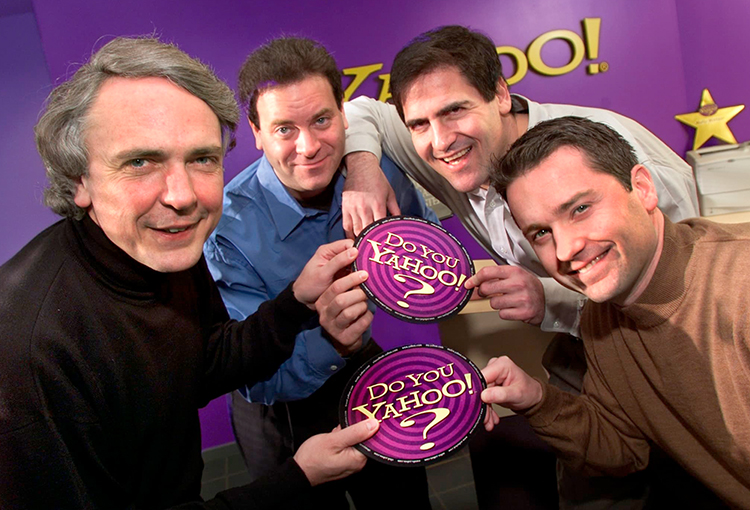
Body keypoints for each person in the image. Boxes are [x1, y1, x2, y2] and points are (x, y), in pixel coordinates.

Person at [0, 36, 381, 510]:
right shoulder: (28, 353)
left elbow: (208, 361)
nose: (182, 196)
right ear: (79, 179)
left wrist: (296, 301)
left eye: (202, 159)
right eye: (140, 162)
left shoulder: (164, 246)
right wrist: (298, 477)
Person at [341, 25, 700, 507]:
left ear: (500, 95)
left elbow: (677, 295)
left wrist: (549, 298)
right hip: (583, 358)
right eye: (419, 123)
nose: (441, 140)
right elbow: (361, 111)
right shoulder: (451, 152)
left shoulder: (607, 153)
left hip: (672, 364)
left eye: (455, 110)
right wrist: (364, 171)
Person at [204, 37, 435, 509]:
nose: (308, 147)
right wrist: (331, 341)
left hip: (364, 370)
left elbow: (424, 244)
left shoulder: (377, 173)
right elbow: (253, 375)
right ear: (256, 132)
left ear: (343, 115)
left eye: (322, 120)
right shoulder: (227, 230)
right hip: (277, 411)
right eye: (284, 129)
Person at [480, 115, 750, 509]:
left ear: (642, 188)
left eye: (580, 208)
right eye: (541, 233)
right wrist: (537, 400)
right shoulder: (600, 316)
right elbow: (622, 448)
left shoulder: (740, 284)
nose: (565, 249)